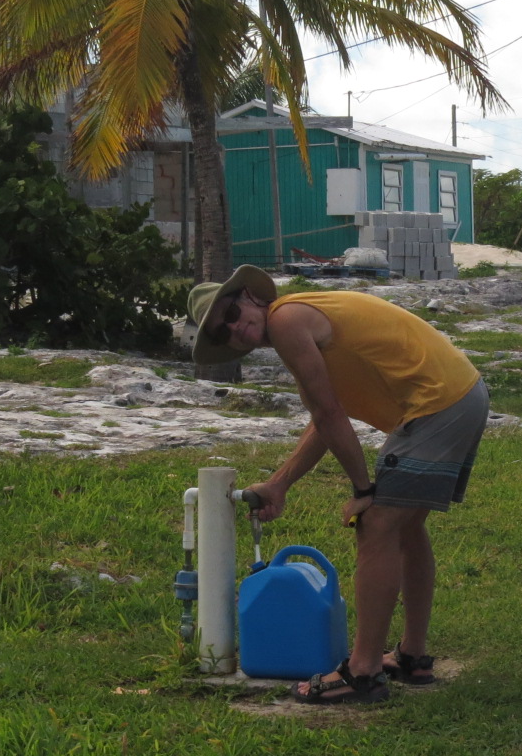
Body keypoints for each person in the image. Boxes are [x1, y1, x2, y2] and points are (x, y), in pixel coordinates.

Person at [188, 265, 489, 705]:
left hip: (437, 403)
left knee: (377, 525)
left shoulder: (287, 319)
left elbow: (331, 416)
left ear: (252, 297)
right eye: (224, 331)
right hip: (459, 394)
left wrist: (364, 491)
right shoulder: (302, 320)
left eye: (233, 311)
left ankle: (362, 670)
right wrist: (280, 483)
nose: (236, 326)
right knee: (404, 526)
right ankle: (412, 656)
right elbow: (324, 420)